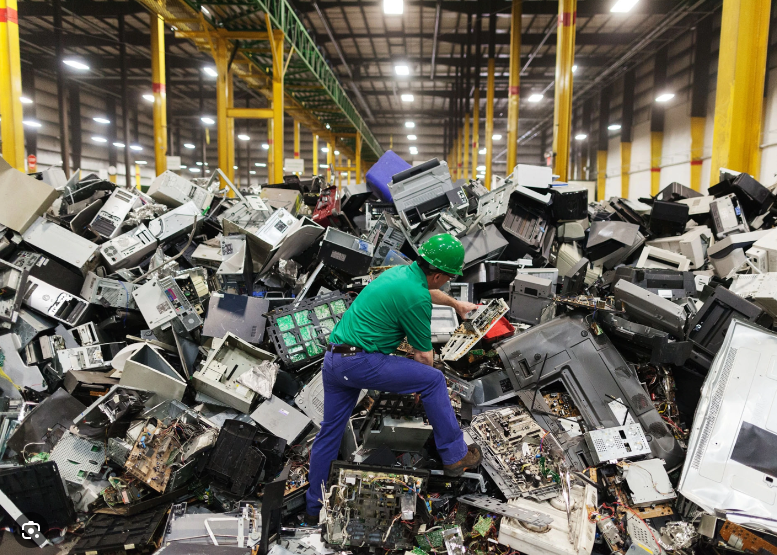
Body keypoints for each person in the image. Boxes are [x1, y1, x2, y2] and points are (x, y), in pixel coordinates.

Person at [303, 233, 483, 522]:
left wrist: (456, 305)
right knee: (434, 381)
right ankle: (454, 456)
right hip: (360, 362)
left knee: (329, 433)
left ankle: (313, 510)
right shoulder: (416, 298)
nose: (447, 281)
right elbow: (424, 357)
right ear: (437, 274)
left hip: (335, 360)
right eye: (448, 277)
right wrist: (422, 386)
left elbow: (428, 290)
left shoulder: (402, 272)